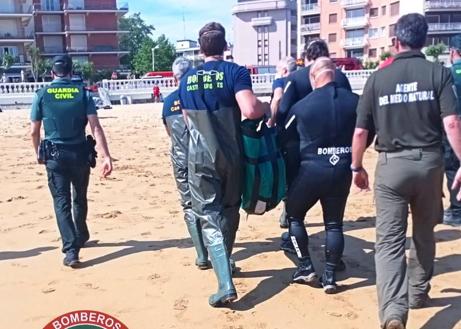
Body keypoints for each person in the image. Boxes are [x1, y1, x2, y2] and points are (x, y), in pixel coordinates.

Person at [351, 14, 461, 329]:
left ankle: (394, 313)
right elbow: (451, 122)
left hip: (391, 166)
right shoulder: (438, 73)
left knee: (388, 242)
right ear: (424, 41)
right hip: (429, 165)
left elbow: (360, 133)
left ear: (395, 41)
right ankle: (417, 293)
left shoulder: (377, 78)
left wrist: (357, 166)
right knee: (425, 233)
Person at [178, 22, 268, 307]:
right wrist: (268, 106)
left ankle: (225, 283)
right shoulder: (235, 72)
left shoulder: (187, 79)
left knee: (208, 215)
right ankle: (225, 263)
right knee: (230, 210)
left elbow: (185, 119)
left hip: (200, 158)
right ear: (225, 46)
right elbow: (250, 109)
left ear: (200, 47)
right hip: (233, 155)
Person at [30, 55, 113, 268]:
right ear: (71, 71)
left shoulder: (42, 94)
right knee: (80, 196)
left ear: (52, 73)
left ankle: (71, 250)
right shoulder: (83, 94)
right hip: (79, 154)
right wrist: (106, 156)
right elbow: (95, 127)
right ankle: (81, 233)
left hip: (55, 155)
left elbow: (34, 131)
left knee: (61, 201)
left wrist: (38, 152)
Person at [284, 57, 358, 294]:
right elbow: (368, 132)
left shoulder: (303, 105)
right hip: (343, 167)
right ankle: (329, 276)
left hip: (312, 169)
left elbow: (286, 138)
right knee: (334, 224)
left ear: (313, 77)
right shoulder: (356, 101)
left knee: (295, 215)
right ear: (334, 74)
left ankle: (305, 266)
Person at [278, 39, 352, 244]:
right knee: (334, 217)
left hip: (301, 149)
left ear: (308, 57)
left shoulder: (295, 77)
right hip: (339, 150)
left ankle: (292, 234)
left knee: (295, 204)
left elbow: (284, 111)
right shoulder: (341, 78)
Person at [162, 57, 208, 270]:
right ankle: (215, 250)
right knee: (208, 204)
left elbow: (170, 134)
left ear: (174, 78)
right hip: (202, 157)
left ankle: (201, 254)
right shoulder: (200, 96)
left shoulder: (168, 101)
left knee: (188, 204)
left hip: (180, 157)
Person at [443, 34, 461, 226]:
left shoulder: (446, 74)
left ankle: (456, 209)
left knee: (452, 168)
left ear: (453, 52)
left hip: (454, 126)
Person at [268, 56, 296, 126]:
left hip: (283, 121)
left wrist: (272, 120)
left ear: (284, 70)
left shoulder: (279, 82)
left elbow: (277, 97)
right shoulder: (298, 80)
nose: (277, 73)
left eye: (277, 71)